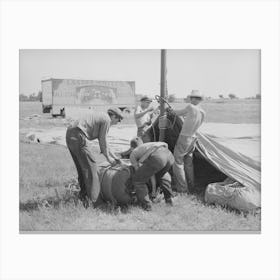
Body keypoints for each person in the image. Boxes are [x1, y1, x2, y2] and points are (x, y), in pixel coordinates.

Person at [66, 107, 123, 207]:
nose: (119, 122)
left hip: (70, 133)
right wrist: (109, 159)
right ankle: (95, 202)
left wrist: (115, 156)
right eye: (119, 119)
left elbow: (105, 141)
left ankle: (83, 198)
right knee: (92, 170)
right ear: (113, 116)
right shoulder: (106, 120)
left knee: (82, 170)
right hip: (79, 135)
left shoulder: (101, 117)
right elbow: (102, 141)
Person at [171, 90, 206, 193]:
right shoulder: (202, 112)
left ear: (194, 99)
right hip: (193, 138)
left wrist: (170, 109)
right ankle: (191, 185)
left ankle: (182, 189)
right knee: (188, 163)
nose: (190, 100)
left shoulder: (190, 107)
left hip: (184, 137)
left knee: (178, 162)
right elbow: (194, 122)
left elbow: (175, 113)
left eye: (191, 98)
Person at [129, 137, 174, 211]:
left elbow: (139, 173)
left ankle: (147, 206)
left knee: (138, 180)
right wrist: (153, 191)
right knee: (161, 176)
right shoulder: (146, 146)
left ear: (131, 148)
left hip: (158, 157)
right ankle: (169, 200)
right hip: (169, 155)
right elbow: (151, 173)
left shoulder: (133, 153)